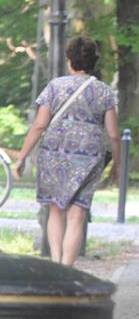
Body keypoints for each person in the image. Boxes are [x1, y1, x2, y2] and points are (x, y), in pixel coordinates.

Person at [12, 36, 119, 267]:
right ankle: (67, 269)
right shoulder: (104, 92)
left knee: (56, 209)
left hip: (54, 154)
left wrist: (21, 157)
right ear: (94, 61)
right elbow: (113, 134)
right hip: (89, 157)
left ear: (69, 60)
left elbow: (39, 125)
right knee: (77, 215)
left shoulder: (55, 86)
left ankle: (55, 264)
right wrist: (117, 166)